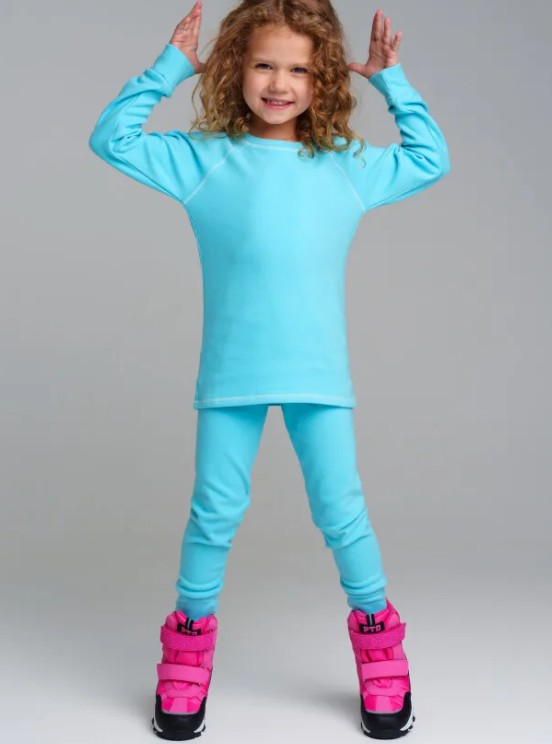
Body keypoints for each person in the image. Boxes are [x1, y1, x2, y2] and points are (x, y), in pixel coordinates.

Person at [88, 0, 450, 739]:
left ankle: (380, 647)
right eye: (262, 64)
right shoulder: (203, 160)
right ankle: (187, 649)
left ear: (324, 80)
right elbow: (111, 138)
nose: (279, 83)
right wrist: (169, 67)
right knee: (213, 513)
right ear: (235, 68)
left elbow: (430, 158)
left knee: (341, 512)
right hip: (232, 379)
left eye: (299, 70)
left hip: (320, 379)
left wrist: (393, 80)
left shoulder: (346, 165)